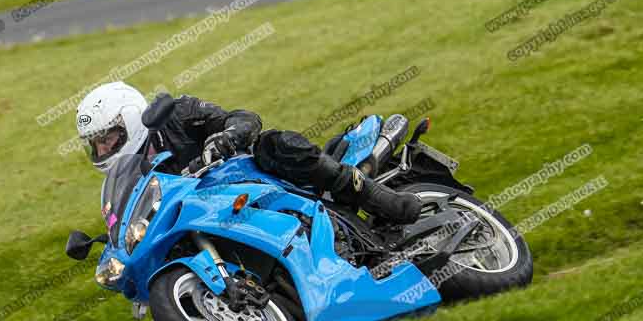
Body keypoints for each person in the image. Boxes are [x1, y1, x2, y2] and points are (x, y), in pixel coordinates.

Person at [75, 81, 421, 224]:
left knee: (275, 144)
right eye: (97, 143)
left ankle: (379, 199)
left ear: (131, 119)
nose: (103, 148)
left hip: (252, 182)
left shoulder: (177, 114)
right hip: (215, 216)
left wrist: (225, 138)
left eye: (108, 137)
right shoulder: (134, 177)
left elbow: (243, 119)